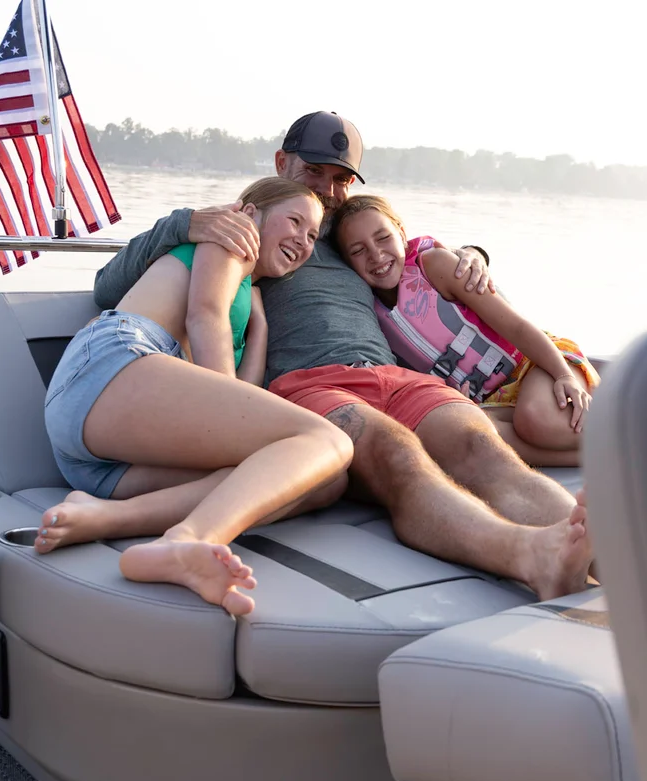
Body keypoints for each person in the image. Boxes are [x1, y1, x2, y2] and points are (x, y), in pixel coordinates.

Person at [90, 111, 594, 600]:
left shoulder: (356, 239)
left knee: (482, 449)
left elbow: (411, 254)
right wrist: (189, 222)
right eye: (314, 172)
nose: (327, 191)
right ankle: (532, 557)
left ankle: (612, 558)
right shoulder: (248, 228)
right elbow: (108, 285)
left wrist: (473, 254)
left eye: (341, 180)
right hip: (311, 388)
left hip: (396, 377)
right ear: (281, 163)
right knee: (397, 454)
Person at [39, 176, 353, 616]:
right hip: (114, 363)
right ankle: (186, 540)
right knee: (332, 442)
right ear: (251, 211)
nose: (302, 240)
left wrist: (259, 328)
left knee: (315, 479)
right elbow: (204, 317)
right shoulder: (229, 234)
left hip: (104, 459)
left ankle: (103, 518)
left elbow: (237, 395)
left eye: (312, 235)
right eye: (294, 221)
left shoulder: (246, 294)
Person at [330, 194, 600, 468]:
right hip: (492, 399)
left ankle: (622, 430)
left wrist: (562, 373)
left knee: (535, 419)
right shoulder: (368, 316)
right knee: (471, 432)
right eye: (358, 250)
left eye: (383, 237)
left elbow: (515, 326)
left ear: (401, 232)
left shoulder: (435, 265)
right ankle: (596, 458)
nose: (376, 255)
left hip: (536, 363)